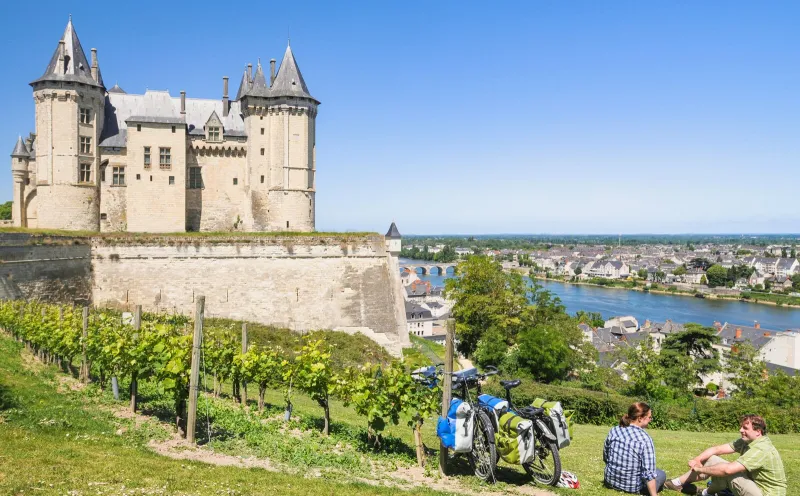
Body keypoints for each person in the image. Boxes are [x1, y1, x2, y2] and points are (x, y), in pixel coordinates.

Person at [664, 414, 786, 496]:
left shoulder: (761, 448)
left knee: (727, 471)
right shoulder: (748, 441)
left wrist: (699, 468)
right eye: (741, 427)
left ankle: (703, 492)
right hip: (755, 486)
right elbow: (717, 449)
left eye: (745, 428)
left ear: (758, 432)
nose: (740, 430)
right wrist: (697, 459)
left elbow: (728, 470)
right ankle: (676, 483)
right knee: (713, 460)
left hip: (766, 493)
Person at [604, 402, 666, 496]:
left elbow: (606, 456)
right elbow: (649, 473)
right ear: (640, 418)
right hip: (632, 487)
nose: (650, 420)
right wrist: (654, 494)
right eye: (649, 417)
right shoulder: (645, 439)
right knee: (661, 474)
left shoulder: (615, 430)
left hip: (609, 481)